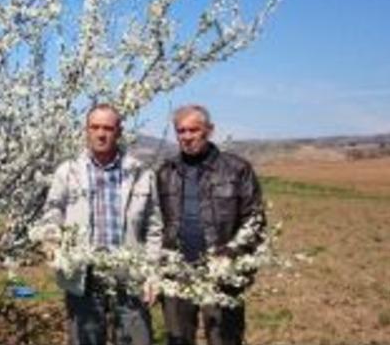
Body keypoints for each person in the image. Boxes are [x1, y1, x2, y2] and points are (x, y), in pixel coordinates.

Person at [40, 103, 163, 345]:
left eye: (108, 127)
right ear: (86, 130)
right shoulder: (68, 172)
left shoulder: (140, 173)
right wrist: (53, 240)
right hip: (84, 274)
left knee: (136, 339)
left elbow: (154, 227)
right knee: (85, 338)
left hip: (129, 273)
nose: (101, 133)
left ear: (118, 131)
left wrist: (152, 273)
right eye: (95, 127)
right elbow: (52, 212)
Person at [156, 104, 266, 345]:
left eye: (193, 130)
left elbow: (254, 222)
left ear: (210, 130)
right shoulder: (166, 172)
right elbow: (156, 223)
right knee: (178, 339)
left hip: (221, 273)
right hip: (177, 272)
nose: (186, 137)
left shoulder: (237, 169)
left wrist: (229, 256)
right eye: (181, 131)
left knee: (224, 338)